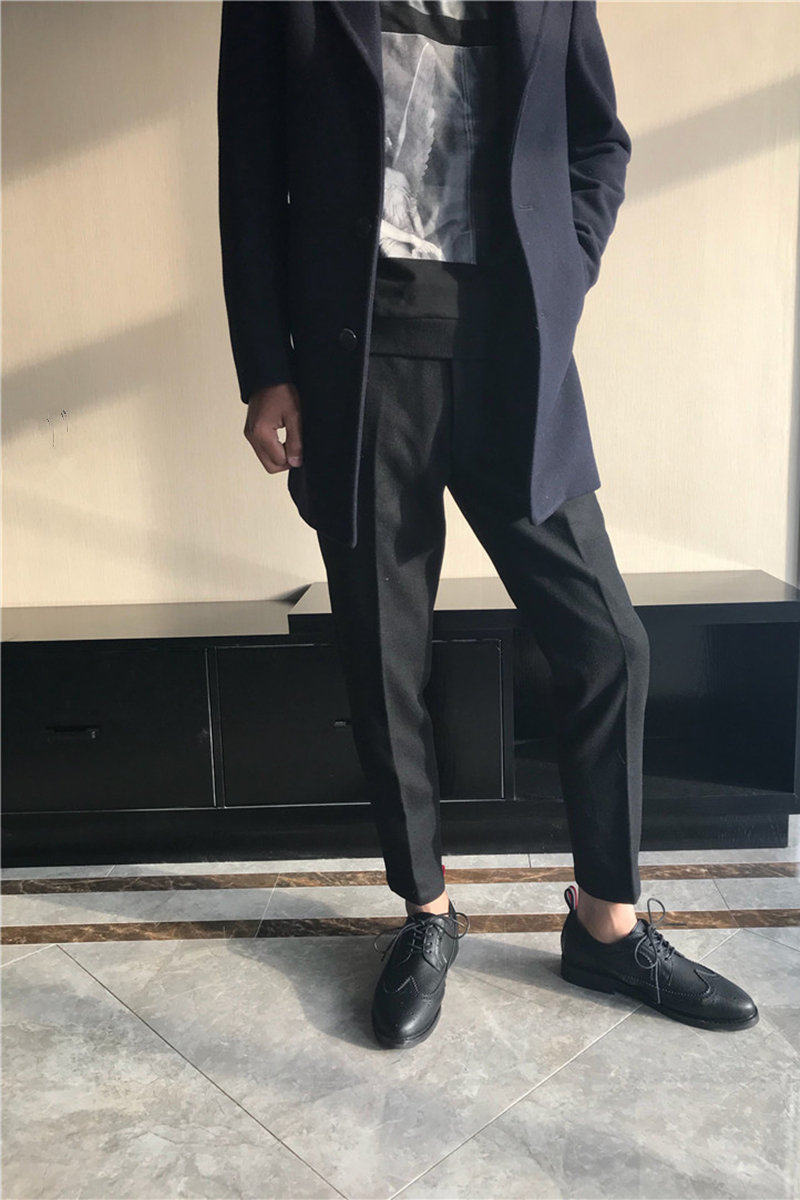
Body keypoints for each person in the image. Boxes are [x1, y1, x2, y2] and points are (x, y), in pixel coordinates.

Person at [217, 0, 758, 1048]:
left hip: (514, 356)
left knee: (606, 642)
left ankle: (605, 925)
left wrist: (566, 266)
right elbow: (248, 171)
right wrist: (267, 366)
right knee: (385, 652)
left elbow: (596, 141)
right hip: (358, 359)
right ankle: (425, 911)